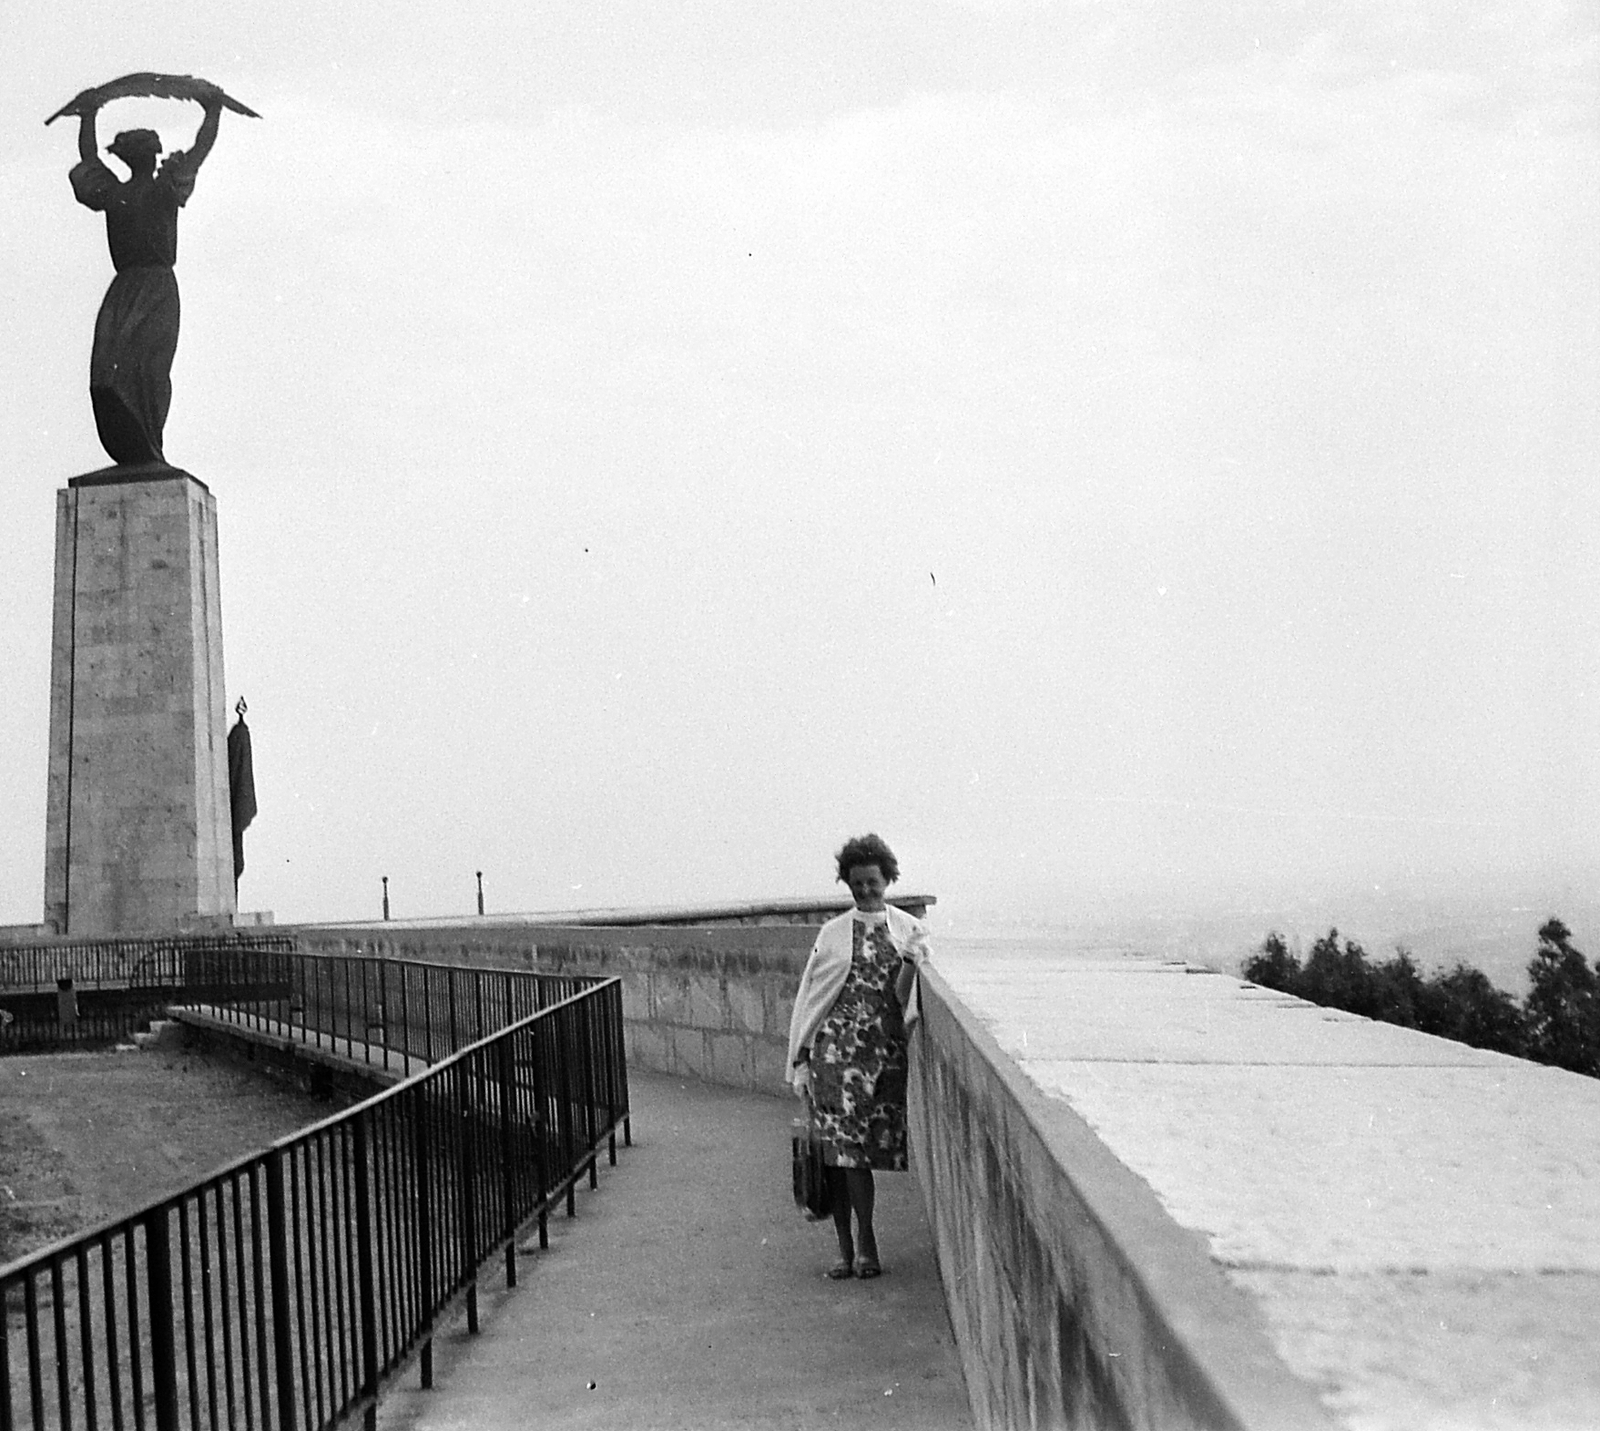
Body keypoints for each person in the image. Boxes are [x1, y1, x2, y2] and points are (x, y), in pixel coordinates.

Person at [786, 833, 930, 1279]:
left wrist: (910, 960)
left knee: (858, 1159)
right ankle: (851, 1251)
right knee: (838, 1158)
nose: (865, 890)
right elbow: (812, 996)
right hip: (835, 1058)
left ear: (888, 879)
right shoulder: (831, 933)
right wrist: (801, 1058)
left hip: (881, 1059)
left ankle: (863, 1245)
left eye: (873, 882)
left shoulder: (908, 929)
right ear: (847, 884)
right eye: (856, 883)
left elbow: (903, 997)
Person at [69, 95, 223, 465]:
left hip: (156, 289)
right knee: (105, 375)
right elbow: (89, 160)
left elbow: (200, 150)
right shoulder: (115, 193)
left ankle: (150, 444)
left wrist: (212, 111)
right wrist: (88, 115)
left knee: (149, 370)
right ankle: (132, 446)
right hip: (124, 289)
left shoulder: (164, 188)